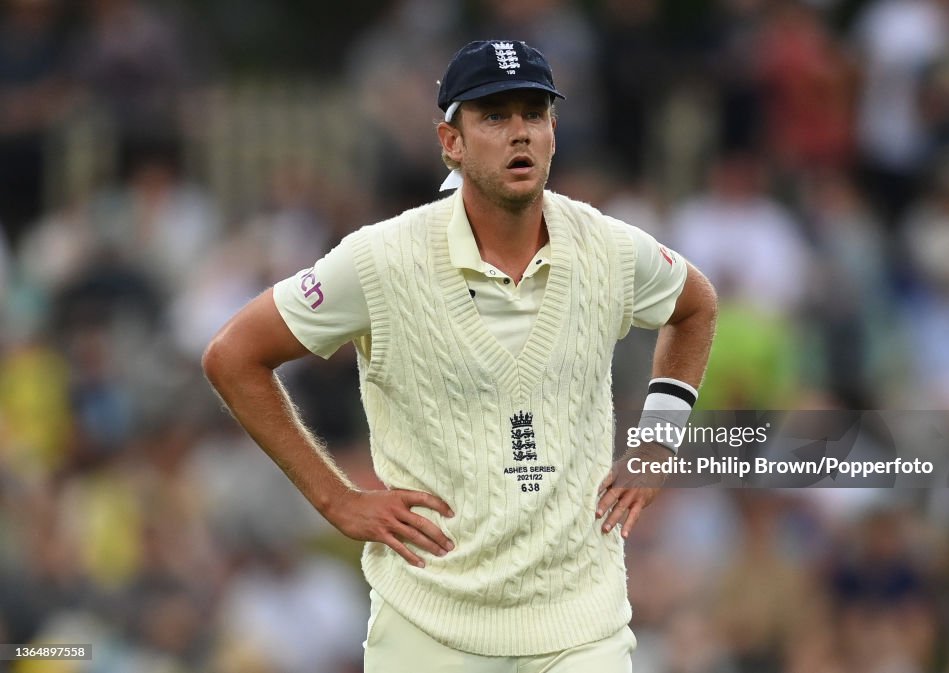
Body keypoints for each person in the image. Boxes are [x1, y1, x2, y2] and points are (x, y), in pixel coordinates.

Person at [202, 39, 717, 673]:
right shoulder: (379, 261)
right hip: (429, 626)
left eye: (534, 112)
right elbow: (234, 356)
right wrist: (336, 500)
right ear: (451, 141)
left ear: (554, 130)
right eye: (494, 117)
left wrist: (659, 440)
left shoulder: (610, 248)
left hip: (583, 625)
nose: (519, 133)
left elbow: (696, 306)